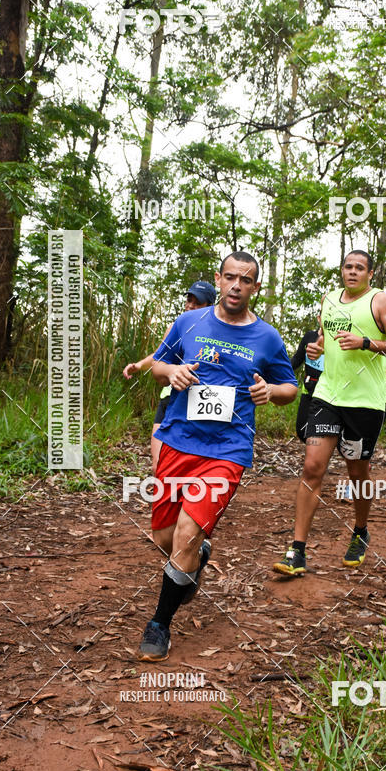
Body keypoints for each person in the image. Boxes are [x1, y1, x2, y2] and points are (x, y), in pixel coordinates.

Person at [138, 251, 298, 661]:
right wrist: (170, 372)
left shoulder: (267, 337)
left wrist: (270, 393)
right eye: (230, 277)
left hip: (228, 450)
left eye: (245, 280)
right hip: (178, 440)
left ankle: (159, 624)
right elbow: (157, 363)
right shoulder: (189, 322)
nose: (236, 286)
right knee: (165, 539)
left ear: (255, 287)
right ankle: (196, 558)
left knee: (187, 535)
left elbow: (289, 388)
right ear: (219, 278)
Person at [273, 250, 386, 577]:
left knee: (356, 472)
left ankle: (360, 531)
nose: (352, 272)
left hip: (366, 401)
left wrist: (366, 342)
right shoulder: (329, 300)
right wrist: (317, 347)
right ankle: (297, 551)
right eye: (348, 267)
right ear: (341, 270)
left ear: (370, 273)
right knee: (312, 467)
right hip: (327, 395)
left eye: (359, 268)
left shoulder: (381, 302)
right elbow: (324, 338)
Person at [123, 281, 216, 474]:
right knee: (159, 464)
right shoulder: (178, 326)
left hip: (203, 403)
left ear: (209, 306)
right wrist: (140, 365)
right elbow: (160, 355)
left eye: (196, 302)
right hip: (170, 398)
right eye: (189, 300)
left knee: (197, 466)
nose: (190, 305)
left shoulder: (217, 332)